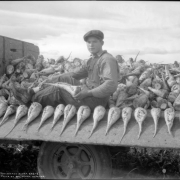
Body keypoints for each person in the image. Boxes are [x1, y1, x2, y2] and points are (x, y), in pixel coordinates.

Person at [12, 30, 119, 110]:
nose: (91, 45)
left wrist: (88, 93)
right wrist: (54, 78)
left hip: (96, 101)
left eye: (95, 42)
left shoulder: (107, 60)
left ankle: (32, 101)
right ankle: (30, 92)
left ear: (102, 43)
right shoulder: (93, 59)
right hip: (90, 93)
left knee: (60, 89)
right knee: (63, 78)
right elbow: (75, 74)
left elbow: (111, 84)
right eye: (89, 42)